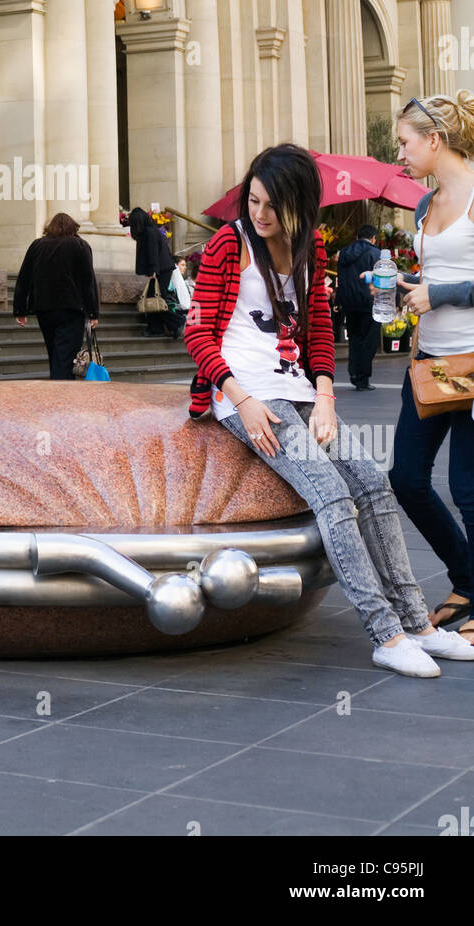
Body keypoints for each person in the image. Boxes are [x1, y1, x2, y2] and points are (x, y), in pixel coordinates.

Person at [185, 142, 473, 676]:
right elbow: (197, 330)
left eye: (272, 205)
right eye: (252, 201)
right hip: (247, 393)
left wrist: (325, 395)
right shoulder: (229, 244)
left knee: (373, 481)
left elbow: (318, 324)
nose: (260, 214)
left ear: (300, 205)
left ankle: (417, 623)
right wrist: (240, 400)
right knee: (332, 494)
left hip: (298, 386)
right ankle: (385, 634)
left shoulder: (309, 247)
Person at [388, 91, 474, 647]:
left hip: (472, 363)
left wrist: (437, 293)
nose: (400, 154)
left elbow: (448, 283)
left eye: (404, 142)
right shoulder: (423, 205)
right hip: (428, 361)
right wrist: (406, 291)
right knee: (407, 479)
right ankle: (467, 580)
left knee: (468, 489)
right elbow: (432, 274)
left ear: (434, 140)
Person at [13, 213, 100, 380]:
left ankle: (56, 390)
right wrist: (93, 312)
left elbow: (24, 278)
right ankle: (61, 396)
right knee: (65, 358)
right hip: (71, 310)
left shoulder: (37, 245)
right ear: (74, 228)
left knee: (54, 353)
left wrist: (20, 310)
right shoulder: (80, 246)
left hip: (44, 310)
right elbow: (88, 281)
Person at [335, 223, 382, 390]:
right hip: (370, 303)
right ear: (373, 238)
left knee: (354, 339)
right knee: (369, 340)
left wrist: (338, 302)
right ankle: (362, 377)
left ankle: (354, 373)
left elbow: (340, 279)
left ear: (357, 237)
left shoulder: (343, 254)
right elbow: (383, 280)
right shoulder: (376, 254)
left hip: (349, 303)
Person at [128, 207, 180, 339]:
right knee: (154, 299)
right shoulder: (150, 231)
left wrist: (153, 271)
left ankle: (176, 323)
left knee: (155, 299)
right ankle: (158, 328)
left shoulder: (149, 233)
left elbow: (153, 253)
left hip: (160, 270)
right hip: (162, 268)